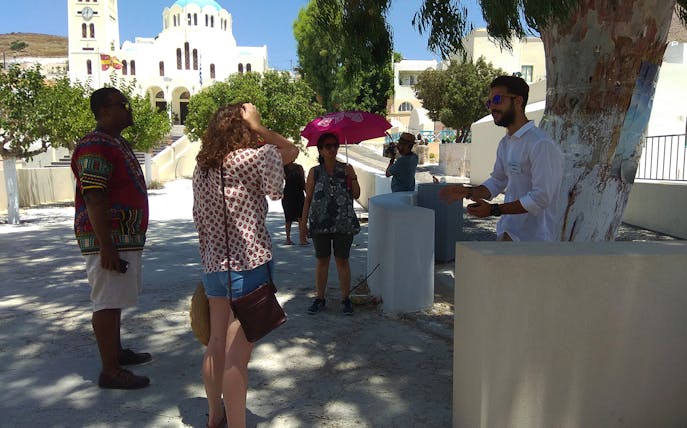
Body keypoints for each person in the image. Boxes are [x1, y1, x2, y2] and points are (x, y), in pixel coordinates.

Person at [192, 103, 298, 428]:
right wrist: (259, 126)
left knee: (216, 344)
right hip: (248, 266)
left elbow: (199, 219)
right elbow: (291, 151)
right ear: (243, 129)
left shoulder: (202, 168)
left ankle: (214, 416)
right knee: (238, 355)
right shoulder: (252, 158)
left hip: (214, 267)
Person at [70, 87, 152, 390]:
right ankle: (110, 370)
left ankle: (116, 353)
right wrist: (106, 245)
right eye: (123, 105)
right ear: (105, 111)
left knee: (114, 298)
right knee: (105, 301)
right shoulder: (95, 145)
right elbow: (93, 196)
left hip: (121, 236)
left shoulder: (113, 142)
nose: (129, 109)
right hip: (108, 238)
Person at [439, 75, 563, 241]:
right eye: (489, 102)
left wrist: (494, 210)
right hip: (508, 234)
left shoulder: (541, 144)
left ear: (518, 101)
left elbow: (541, 198)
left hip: (535, 243)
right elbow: (497, 181)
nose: (492, 107)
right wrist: (469, 191)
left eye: (497, 99)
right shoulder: (506, 143)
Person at [301, 133, 361, 315]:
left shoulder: (346, 169)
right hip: (320, 223)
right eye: (328, 146)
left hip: (343, 223)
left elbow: (357, 195)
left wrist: (354, 177)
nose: (333, 149)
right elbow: (308, 198)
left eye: (335, 145)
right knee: (322, 261)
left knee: (342, 260)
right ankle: (320, 298)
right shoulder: (314, 172)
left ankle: (345, 299)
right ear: (320, 150)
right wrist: (302, 224)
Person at [281, 161, 308, 245]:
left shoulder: (299, 168)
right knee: (288, 218)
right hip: (288, 195)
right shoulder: (283, 168)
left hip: (299, 194)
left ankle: (302, 239)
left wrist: (308, 193)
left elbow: (303, 181)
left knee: (301, 217)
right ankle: (288, 238)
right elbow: (278, 181)